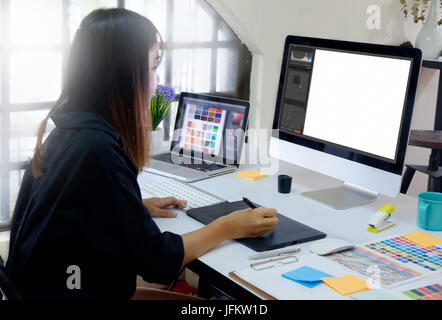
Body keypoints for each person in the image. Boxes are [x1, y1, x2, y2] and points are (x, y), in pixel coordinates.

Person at [5, 8, 278, 300]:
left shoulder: (71, 129)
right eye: (152, 65)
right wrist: (227, 226)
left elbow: (76, 209)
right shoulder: (98, 149)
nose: (155, 78)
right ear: (123, 74)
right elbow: (156, 262)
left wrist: (132, 208)